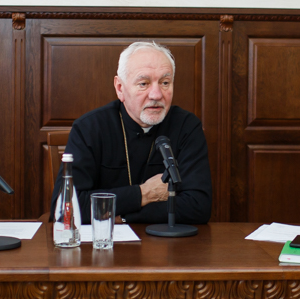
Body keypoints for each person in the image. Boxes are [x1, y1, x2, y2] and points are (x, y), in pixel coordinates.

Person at [51, 41, 212, 224]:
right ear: (120, 88)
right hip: (104, 241)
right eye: (143, 83)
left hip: (163, 241)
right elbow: (65, 208)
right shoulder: (89, 128)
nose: (156, 94)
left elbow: (199, 206)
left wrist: (124, 216)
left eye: (165, 83)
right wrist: (143, 194)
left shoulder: (186, 126)